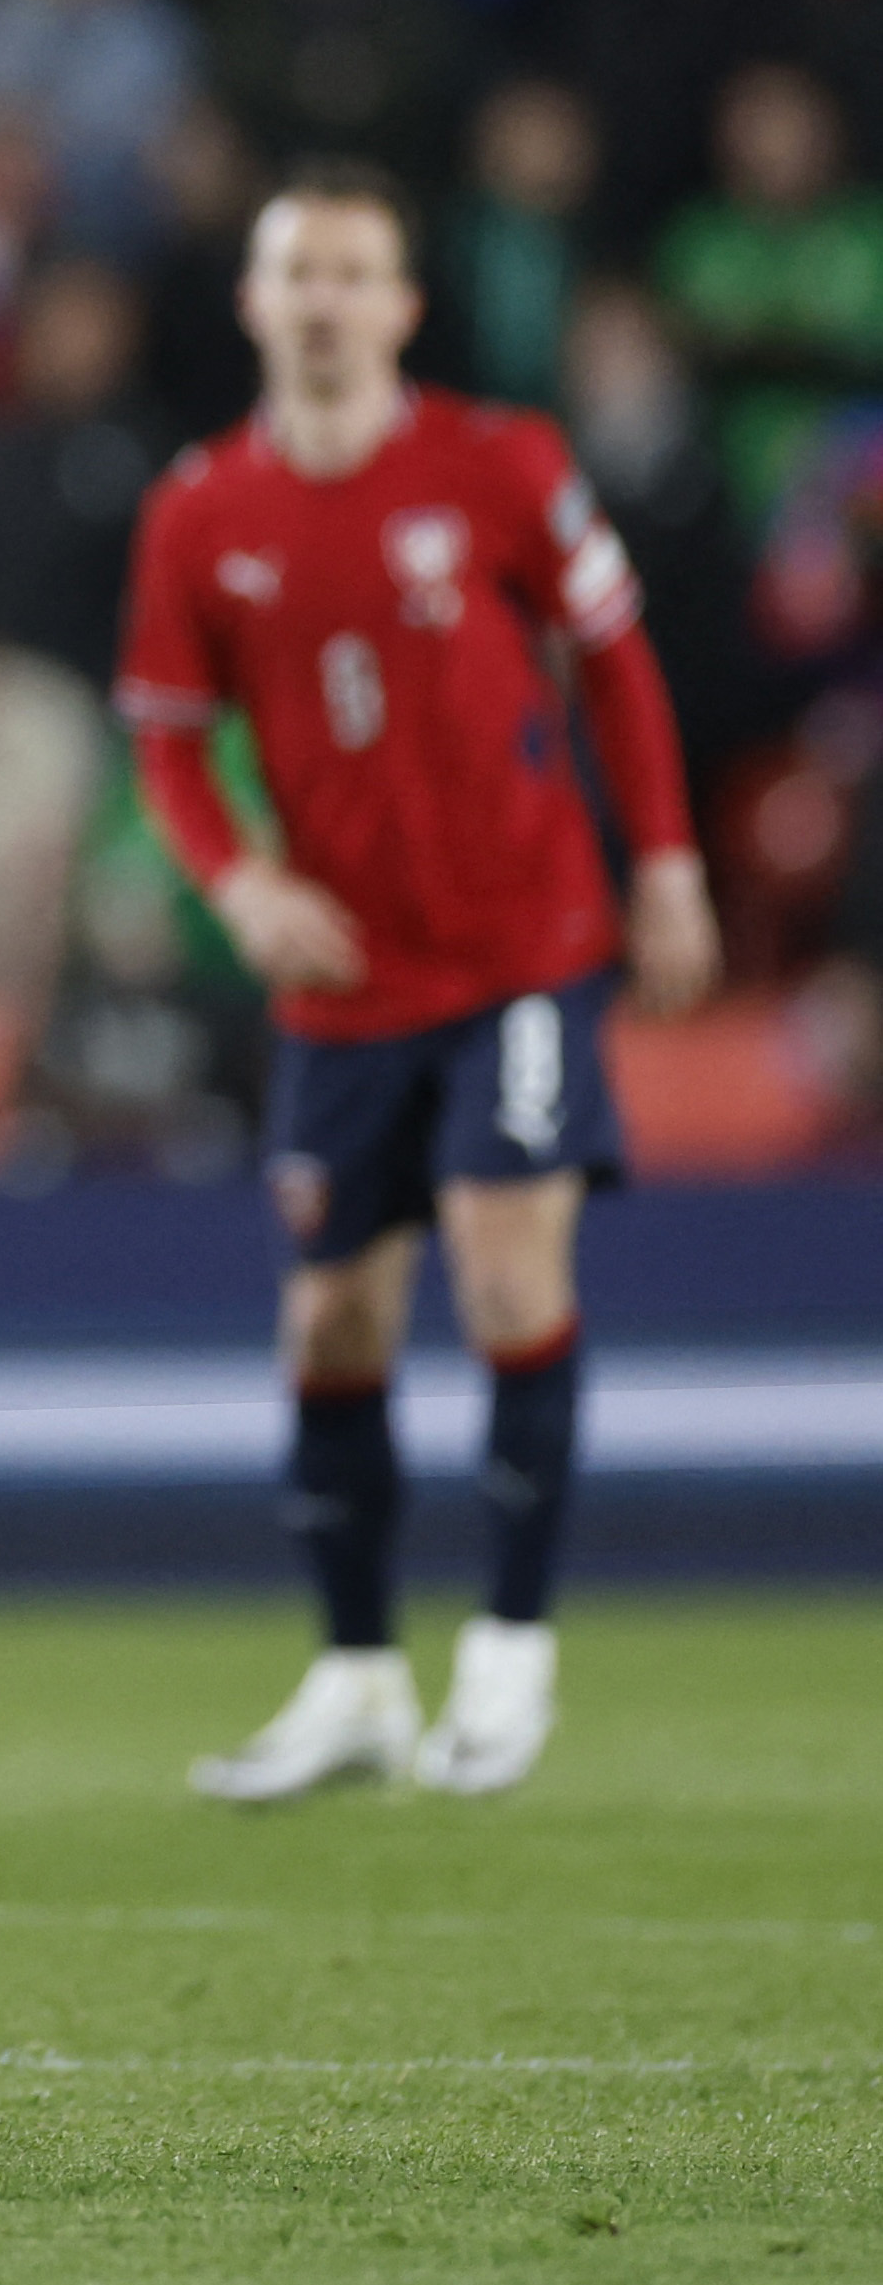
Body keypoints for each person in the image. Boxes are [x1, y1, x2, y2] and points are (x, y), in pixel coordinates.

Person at [116, 167, 716, 1802]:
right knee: (329, 1314)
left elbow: (618, 662)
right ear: (252, 301)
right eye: (293, 271)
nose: (320, 299)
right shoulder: (199, 512)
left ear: (400, 305)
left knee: (503, 1255)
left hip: (520, 942)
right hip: (342, 981)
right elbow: (165, 742)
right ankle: (358, 1672)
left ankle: (509, 1648)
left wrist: (661, 861)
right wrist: (238, 878)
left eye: (350, 272)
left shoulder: (497, 462)